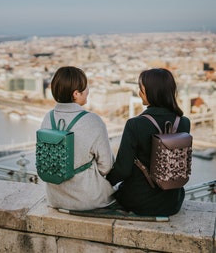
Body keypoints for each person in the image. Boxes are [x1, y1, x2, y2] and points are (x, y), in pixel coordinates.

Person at [106, 68, 191, 216]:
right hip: (173, 201)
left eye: (142, 89)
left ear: (153, 92)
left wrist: (104, 182)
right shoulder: (184, 123)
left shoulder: (135, 124)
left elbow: (122, 170)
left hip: (139, 201)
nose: (139, 93)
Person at [39, 66, 115, 210]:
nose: (88, 91)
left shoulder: (48, 118)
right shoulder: (93, 121)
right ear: (76, 94)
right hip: (87, 199)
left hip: (54, 198)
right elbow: (106, 167)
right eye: (86, 88)